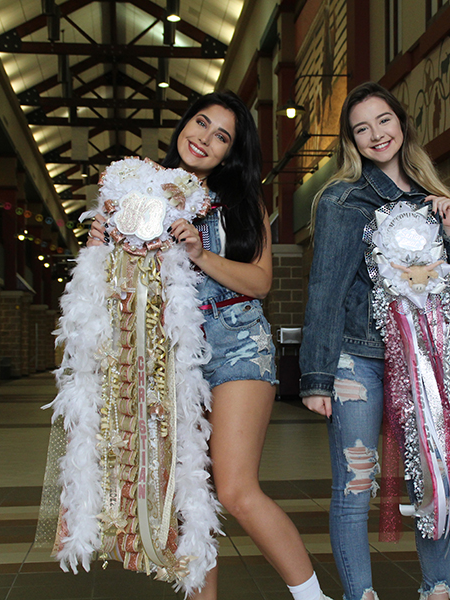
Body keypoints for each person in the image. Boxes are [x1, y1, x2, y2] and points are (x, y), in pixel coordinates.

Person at [89, 91, 331, 600]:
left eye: (222, 136)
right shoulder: (138, 192)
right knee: (188, 498)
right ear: (184, 125)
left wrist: (198, 252)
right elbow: (116, 284)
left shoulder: (244, 204)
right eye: (201, 124)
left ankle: (314, 598)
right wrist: (99, 248)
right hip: (169, 353)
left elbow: (261, 283)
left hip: (238, 341)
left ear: (230, 153)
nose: (204, 139)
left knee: (236, 490)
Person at [299, 82, 450, 600]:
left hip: (423, 359)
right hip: (358, 360)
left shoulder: (430, 197)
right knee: (355, 487)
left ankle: (438, 589)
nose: (376, 134)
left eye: (383, 120)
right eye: (361, 128)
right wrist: (316, 377)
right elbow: (325, 290)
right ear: (352, 142)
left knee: (432, 479)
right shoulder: (342, 199)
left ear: (402, 123)